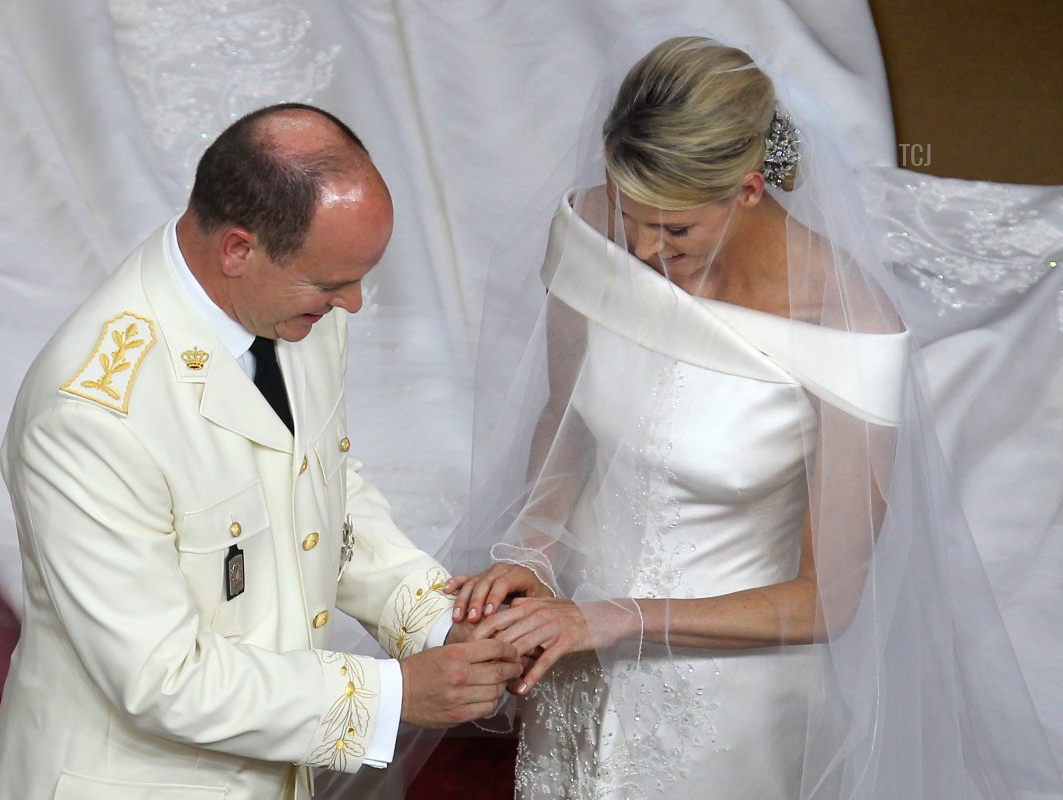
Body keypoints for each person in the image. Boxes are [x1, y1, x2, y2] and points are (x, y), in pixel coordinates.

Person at [446, 35, 1061, 799]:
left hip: (726, 707)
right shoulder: (592, 233)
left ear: (748, 188)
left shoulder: (848, 330)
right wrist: (533, 551)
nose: (638, 249)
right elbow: (566, 422)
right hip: (576, 657)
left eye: (673, 230)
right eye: (628, 210)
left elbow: (827, 601)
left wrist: (614, 617)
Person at [0, 103, 520, 800]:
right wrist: (390, 699)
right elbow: (161, 675)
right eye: (331, 283)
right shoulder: (90, 413)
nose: (353, 304)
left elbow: (323, 490)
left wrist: (442, 621)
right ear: (239, 249)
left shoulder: (298, 309)